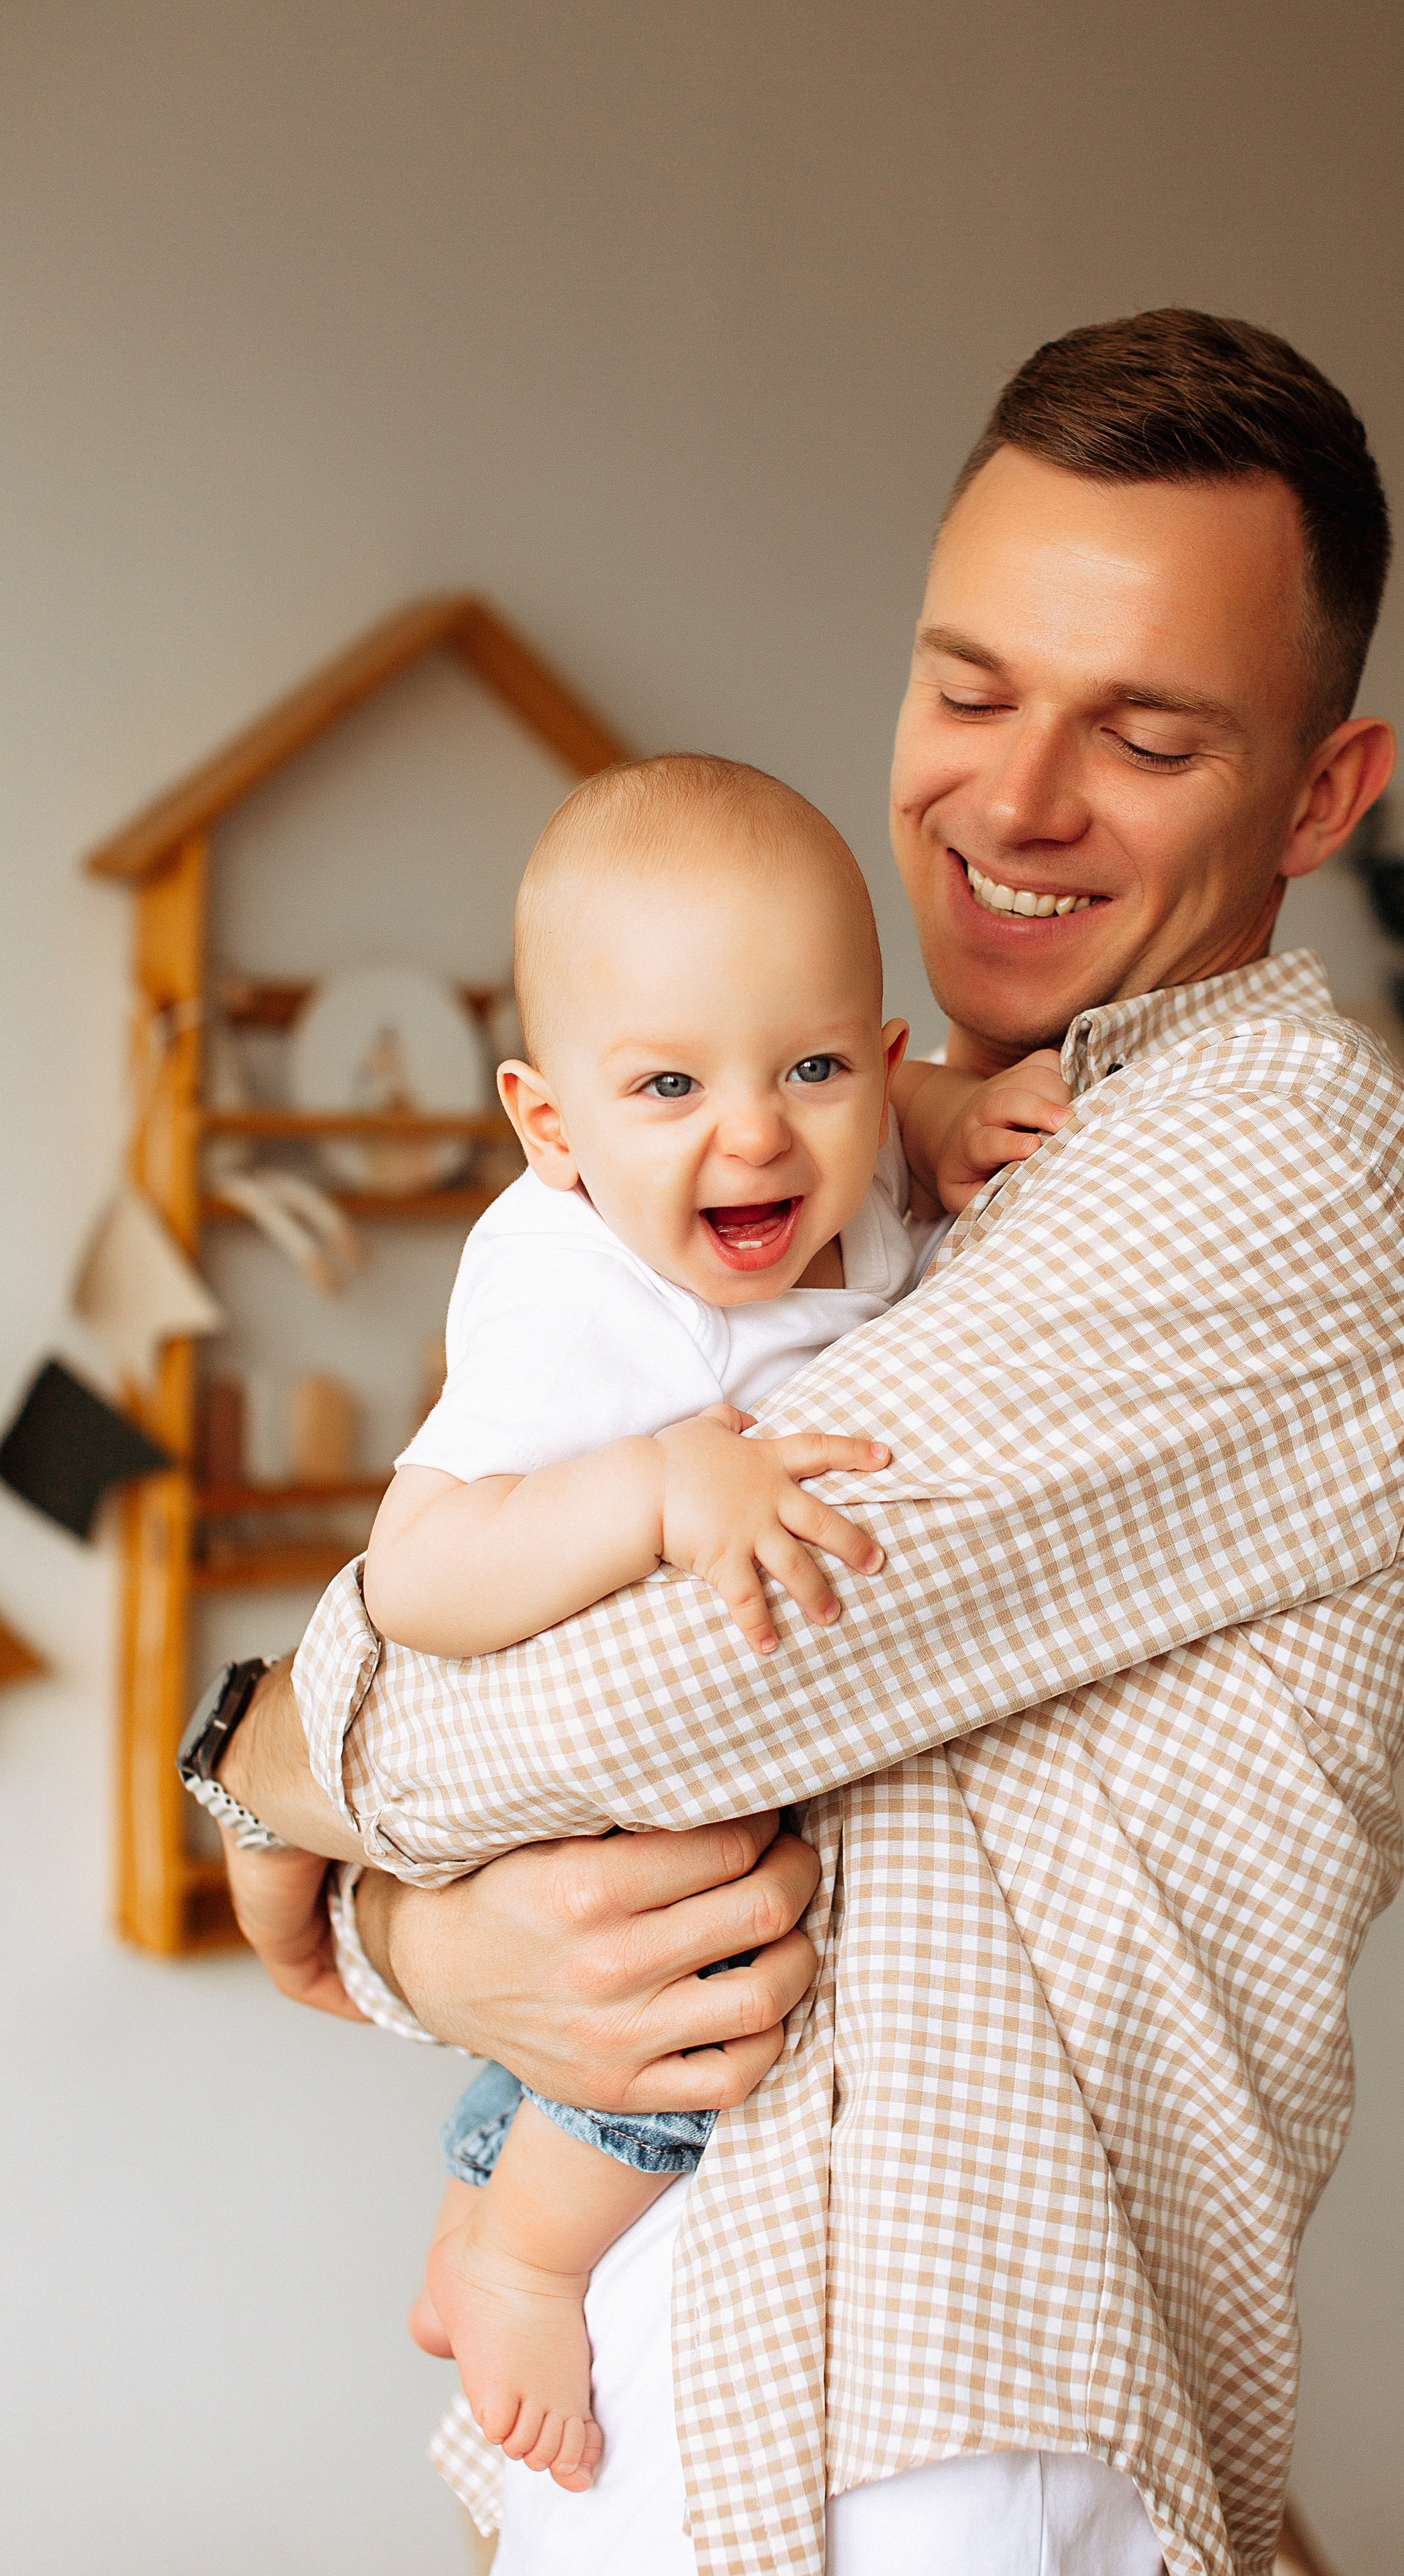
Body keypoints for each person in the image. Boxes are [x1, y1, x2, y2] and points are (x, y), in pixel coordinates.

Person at [208, 309, 1404, 2576]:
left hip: (951, 2426)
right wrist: (436, 1933)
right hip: (695, 2375)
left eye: (1146, 731)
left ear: (1321, 791)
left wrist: (287, 1771)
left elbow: (691, 1662)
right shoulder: (877, 1158)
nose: (1010, 802)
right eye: (973, 688)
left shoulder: (1285, 1157)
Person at [363, 749, 1071, 2489]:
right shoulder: (576, 1291)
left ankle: (480, 2205)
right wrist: (663, 1488)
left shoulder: (855, 1169)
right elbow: (412, 1575)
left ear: (879, 1058)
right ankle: (524, 2253)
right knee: (712, 1968)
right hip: (607, 1788)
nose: (753, 1132)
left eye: (815, 1065)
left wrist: (944, 1129)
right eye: (667, 1083)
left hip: (753, 1755)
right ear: (554, 1130)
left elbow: (866, 1131)